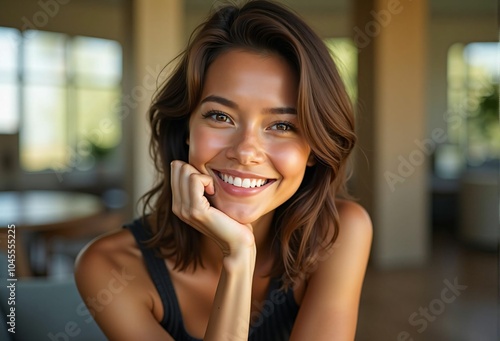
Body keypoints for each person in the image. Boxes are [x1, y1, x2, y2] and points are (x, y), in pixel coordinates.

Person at [75, 1, 372, 340]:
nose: (245, 152)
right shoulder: (109, 268)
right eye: (220, 116)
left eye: (282, 125)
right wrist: (239, 257)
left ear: (314, 150)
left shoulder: (339, 233)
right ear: (186, 128)